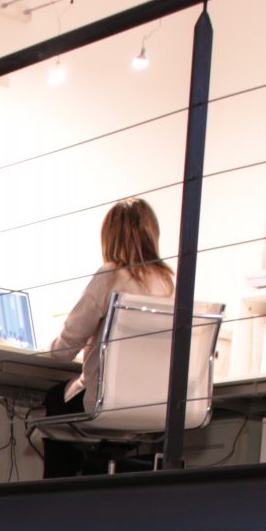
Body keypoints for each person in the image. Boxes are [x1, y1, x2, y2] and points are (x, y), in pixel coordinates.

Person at [41, 196, 176, 478]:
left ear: (110, 237)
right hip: (151, 405)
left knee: (54, 399)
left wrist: (47, 347)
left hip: (105, 402)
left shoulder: (111, 274)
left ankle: (55, 492)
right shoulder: (168, 283)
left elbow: (64, 350)